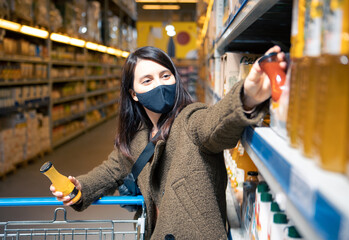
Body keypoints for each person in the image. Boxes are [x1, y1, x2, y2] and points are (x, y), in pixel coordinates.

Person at [50, 45, 286, 239]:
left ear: (175, 78)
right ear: (133, 93)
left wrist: (246, 97)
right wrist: (81, 188)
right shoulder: (136, 138)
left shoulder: (190, 120)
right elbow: (110, 171)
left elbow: (214, 125)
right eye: (147, 80)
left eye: (165, 76)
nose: (159, 85)